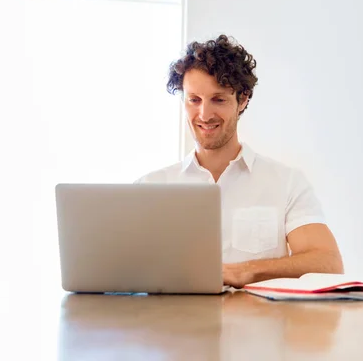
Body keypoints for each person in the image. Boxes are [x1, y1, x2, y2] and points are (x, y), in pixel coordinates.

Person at [136, 34, 343, 288]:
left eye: (218, 99)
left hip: (257, 324)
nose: (204, 114)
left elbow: (328, 262)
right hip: (172, 324)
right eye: (194, 100)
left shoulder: (286, 183)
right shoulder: (149, 187)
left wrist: (245, 272)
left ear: (242, 99)